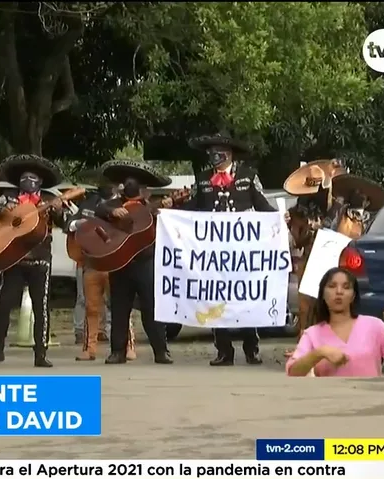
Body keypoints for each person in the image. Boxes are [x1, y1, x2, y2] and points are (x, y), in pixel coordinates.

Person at [183, 132, 277, 366]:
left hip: (242, 251)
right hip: (213, 252)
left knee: (244, 297)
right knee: (216, 297)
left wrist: (277, 219)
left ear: (230, 154)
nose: (214, 155)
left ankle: (251, 349)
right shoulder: (203, 179)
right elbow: (192, 208)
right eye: (210, 151)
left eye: (219, 151)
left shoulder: (248, 176)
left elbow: (262, 205)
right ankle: (224, 350)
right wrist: (170, 214)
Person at [0, 154, 71, 368]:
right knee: (3, 305)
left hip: (40, 260)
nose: (28, 180)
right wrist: (5, 212)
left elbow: (66, 223)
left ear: (40, 181)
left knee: (41, 307)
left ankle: (41, 353)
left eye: (33, 177)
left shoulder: (48, 199)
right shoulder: (9, 197)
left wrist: (59, 211)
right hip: (14, 260)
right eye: (24, 177)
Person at [92, 160, 174, 365]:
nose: (130, 186)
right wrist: (112, 212)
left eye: (135, 183)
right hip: (120, 262)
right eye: (127, 182)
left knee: (151, 307)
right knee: (119, 309)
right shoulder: (114, 204)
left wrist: (169, 208)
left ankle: (161, 350)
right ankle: (117, 352)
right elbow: (99, 210)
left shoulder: (151, 207)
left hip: (145, 262)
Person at [286, 267, 384, 377]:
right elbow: (293, 372)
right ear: (323, 294)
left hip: (371, 399)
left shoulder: (374, 326)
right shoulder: (312, 334)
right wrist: (320, 353)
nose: (339, 292)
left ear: (353, 295)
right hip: (329, 400)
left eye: (346, 287)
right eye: (332, 286)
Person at [67, 180, 138, 361]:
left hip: (114, 263)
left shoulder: (124, 204)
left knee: (120, 307)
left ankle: (128, 346)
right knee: (91, 307)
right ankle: (89, 348)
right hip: (91, 262)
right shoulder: (89, 204)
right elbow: (69, 224)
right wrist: (79, 224)